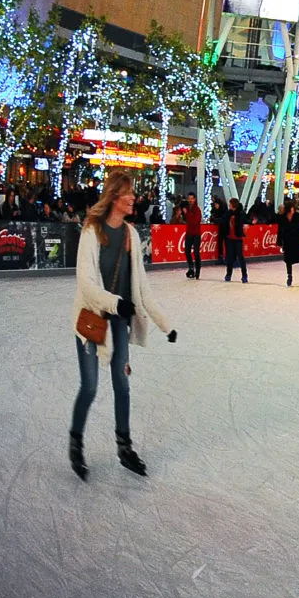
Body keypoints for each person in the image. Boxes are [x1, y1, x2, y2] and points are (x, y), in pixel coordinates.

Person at [69, 171, 176, 480]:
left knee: (122, 384)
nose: (133, 198)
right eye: (129, 194)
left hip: (119, 321)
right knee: (89, 387)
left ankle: (124, 447)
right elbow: (86, 285)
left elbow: (142, 289)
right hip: (91, 319)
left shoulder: (131, 234)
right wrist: (116, 303)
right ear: (115, 197)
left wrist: (166, 326)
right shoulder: (91, 232)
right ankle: (76, 443)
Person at [278, 200, 299, 287]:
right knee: (288, 260)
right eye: (292, 208)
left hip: (297, 241)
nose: (293, 210)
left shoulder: (298, 217)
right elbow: (280, 231)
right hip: (287, 242)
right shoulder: (282, 218)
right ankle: (289, 276)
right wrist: (280, 242)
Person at [223, 197, 248, 283]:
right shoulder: (228, 213)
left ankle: (244, 275)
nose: (229, 205)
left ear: (233, 205)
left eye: (230, 204)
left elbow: (245, 220)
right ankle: (228, 274)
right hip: (230, 238)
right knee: (230, 257)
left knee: (240, 257)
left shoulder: (240, 213)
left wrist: (251, 222)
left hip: (238, 239)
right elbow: (223, 220)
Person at [181, 192, 202, 279]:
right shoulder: (188, 209)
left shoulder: (197, 210)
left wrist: (187, 214)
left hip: (196, 234)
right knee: (187, 251)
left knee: (196, 253)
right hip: (189, 233)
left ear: (194, 199)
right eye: (188, 198)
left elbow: (194, 221)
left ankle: (197, 271)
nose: (190, 200)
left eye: (191, 198)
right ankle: (191, 268)